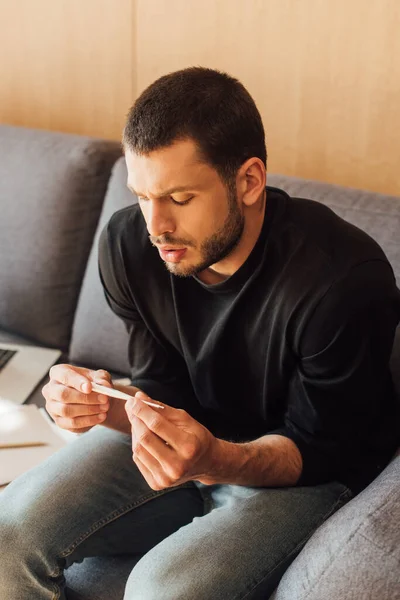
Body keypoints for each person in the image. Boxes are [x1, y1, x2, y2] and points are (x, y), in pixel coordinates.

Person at [1, 67, 399, 600]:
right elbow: (163, 391)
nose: (156, 226)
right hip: (194, 439)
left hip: (307, 470)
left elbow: (323, 449)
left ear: (250, 181)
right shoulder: (127, 245)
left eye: (180, 199)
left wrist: (211, 459)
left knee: (161, 590)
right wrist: (102, 404)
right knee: (7, 537)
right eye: (142, 196)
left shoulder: (342, 278)